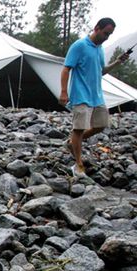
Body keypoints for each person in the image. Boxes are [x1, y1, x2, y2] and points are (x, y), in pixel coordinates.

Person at [59, 17, 130, 178]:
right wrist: (64, 92)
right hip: (80, 95)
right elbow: (66, 69)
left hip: (96, 95)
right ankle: (78, 165)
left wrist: (118, 62)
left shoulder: (99, 49)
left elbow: (101, 71)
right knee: (78, 129)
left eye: (110, 35)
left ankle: (72, 143)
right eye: (105, 33)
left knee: (101, 125)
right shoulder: (79, 46)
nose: (107, 37)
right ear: (97, 28)